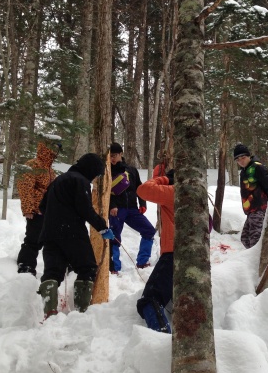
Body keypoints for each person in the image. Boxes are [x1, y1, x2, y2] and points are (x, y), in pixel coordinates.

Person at [37, 153, 114, 318]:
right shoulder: (80, 181)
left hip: (49, 233)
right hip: (72, 232)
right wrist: (102, 227)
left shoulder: (58, 180)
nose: (95, 178)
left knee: (52, 272)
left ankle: (49, 312)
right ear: (91, 169)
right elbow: (85, 209)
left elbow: (42, 206)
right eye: (97, 174)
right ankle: (81, 313)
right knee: (87, 268)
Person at [135, 169, 176, 333]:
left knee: (150, 299)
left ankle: (161, 338)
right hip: (185, 253)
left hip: (173, 253)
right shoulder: (196, 193)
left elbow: (143, 190)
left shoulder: (174, 191)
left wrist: (165, 179)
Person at [108, 142, 156, 271]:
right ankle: (114, 267)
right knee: (114, 237)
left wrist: (143, 203)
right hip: (116, 210)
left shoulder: (132, 170)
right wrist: (112, 205)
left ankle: (142, 262)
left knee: (149, 230)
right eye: (110, 156)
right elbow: (105, 192)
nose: (112, 159)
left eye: (114, 155)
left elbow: (140, 188)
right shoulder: (107, 171)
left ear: (121, 154)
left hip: (133, 209)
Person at [15, 138, 60, 275]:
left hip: (48, 211)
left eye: (58, 149)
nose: (56, 152)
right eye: (54, 148)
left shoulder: (50, 170)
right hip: (35, 209)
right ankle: (25, 264)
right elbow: (25, 187)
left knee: (50, 239)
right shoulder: (32, 165)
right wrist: (28, 208)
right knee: (33, 238)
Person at [234, 143, 268, 248]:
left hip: (259, 207)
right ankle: (254, 259)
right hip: (250, 210)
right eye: (238, 159)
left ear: (249, 156)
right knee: (245, 238)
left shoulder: (257, 167)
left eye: (243, 157)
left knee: (255, 239)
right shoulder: (244, 171)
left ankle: (259, 261)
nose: (241, 161)